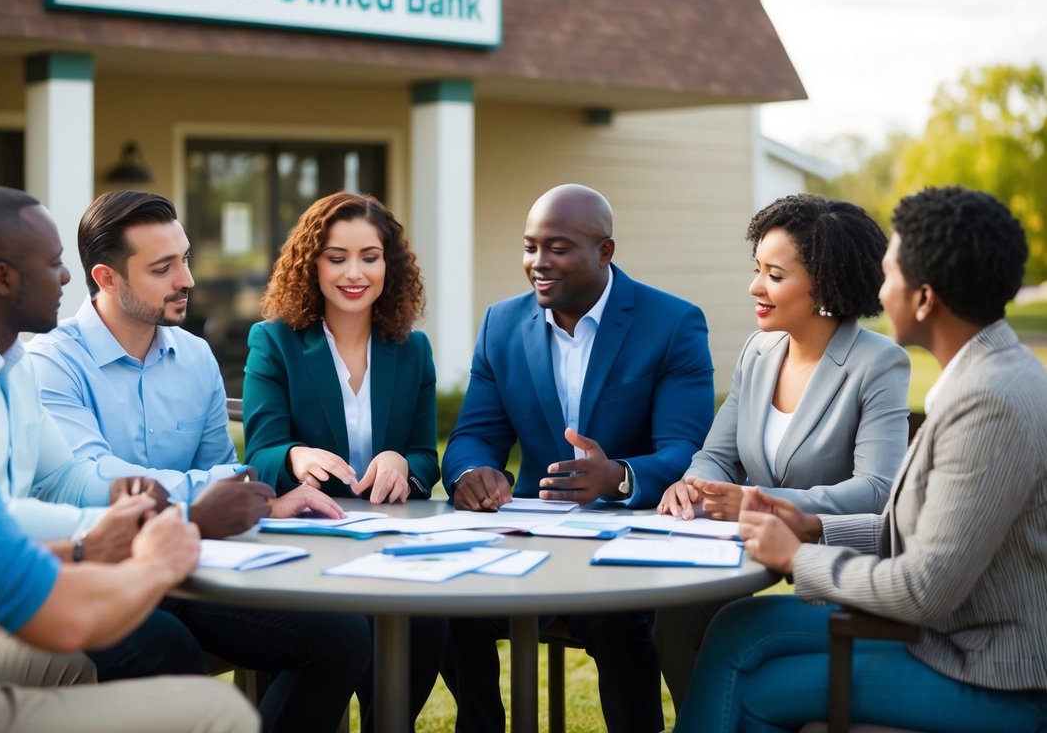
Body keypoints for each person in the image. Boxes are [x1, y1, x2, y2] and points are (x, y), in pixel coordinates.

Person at [0, 139, 256, 732]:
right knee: (214, 709)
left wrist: (100, 538)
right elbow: (56, 616)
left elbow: (52, 488)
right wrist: (160, 548)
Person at [676, 187, 1047, 732]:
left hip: (988, 670)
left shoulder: (989, 402)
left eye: (889, 273)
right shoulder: (985, 373)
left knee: (752, 690)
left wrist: (794, 557)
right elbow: (928, 537)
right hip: (952, 634)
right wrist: (813, 526)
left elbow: (923, 589)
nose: (876, 285)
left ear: (923, 299)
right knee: (737, 626)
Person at [28, 189, 370, 733]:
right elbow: (87, 482)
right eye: (163, 268)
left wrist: (259, 501)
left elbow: (223, 474)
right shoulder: (51, 361)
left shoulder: (194, 357)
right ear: (106, 277)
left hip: (192, 569)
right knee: (171, 655)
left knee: (343, 635)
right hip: (98, 572)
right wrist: (212, 492)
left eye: (184, 258)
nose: (186, 278)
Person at [440, 184, 716, 733]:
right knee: (448, 612)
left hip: (627, 545)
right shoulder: (501, 324)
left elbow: (689, 451)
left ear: (605, 251)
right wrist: (473, 472)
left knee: (622, 630)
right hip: (527, 543)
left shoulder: (672, 323)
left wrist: (619, 476)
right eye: (530, 247)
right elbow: (473, 434)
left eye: (558, 248)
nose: (538, 263)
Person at [0, 186, 206, 681]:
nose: (68, 277)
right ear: (3, 278)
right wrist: (94, 535)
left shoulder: (13, 363)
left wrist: (128, 496)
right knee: (161, 644)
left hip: (17, 579)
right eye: (53, 264)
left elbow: (64, 475)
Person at [654, 194, 910, 708]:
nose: (755, 287)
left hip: (836, 567)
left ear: (823, 284)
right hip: (739, 550)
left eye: (774, 274)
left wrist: (757, 500)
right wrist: (692, 485)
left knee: (736, 634)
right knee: (676, 622)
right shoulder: (758, 350)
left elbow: (880, 488)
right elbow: (717, 454)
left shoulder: (878, 363)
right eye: (757, 270)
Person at [243, 191, 444, 726]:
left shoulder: (413, 349)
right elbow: (258, 454)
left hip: (393, 542)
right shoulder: (275, 341)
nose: (354, 272)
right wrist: (295, 455)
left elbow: (427, 456)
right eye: (336, 257)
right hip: (312, 543)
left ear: (388, 265)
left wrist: (405, 463)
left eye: (369, 257)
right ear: (312, 264)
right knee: (342, 629)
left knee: (428, 624)